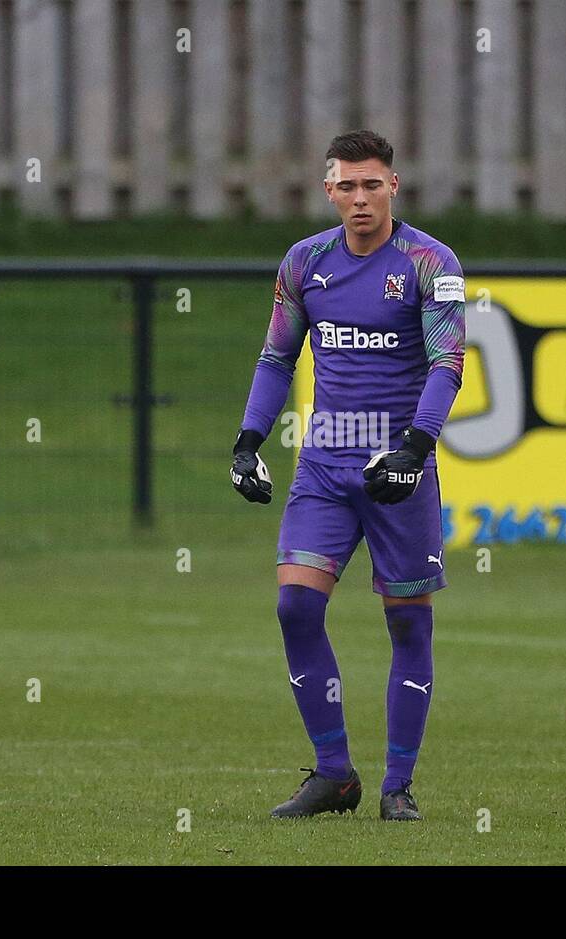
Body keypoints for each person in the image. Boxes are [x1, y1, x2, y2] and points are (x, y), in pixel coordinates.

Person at [230, 130, 466, 821]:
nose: (360, 198)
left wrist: (415, 452)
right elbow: (277, 359)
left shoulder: (430, 262)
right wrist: (248, 443)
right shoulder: (306, 262)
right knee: (295, 607)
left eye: (372, 184)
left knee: (408, 628)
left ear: (394, 186)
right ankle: (335, 775)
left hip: (400, 472)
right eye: (346, 185)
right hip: (324, 468)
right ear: (327, 190)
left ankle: (399, 788)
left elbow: (447, 362)